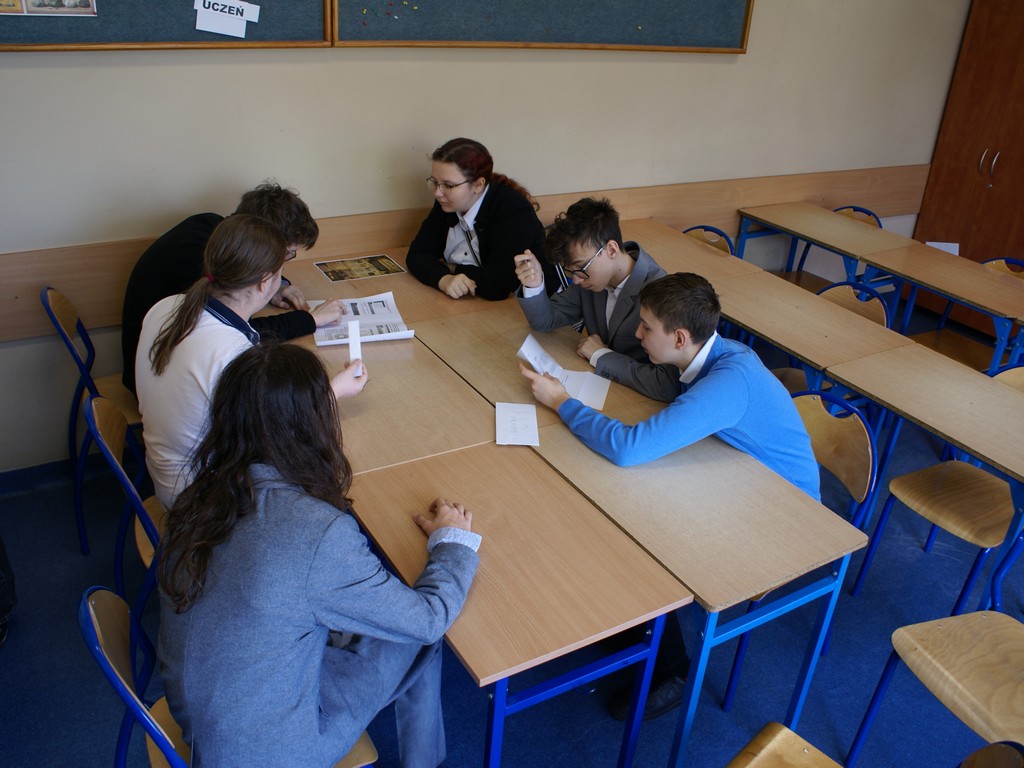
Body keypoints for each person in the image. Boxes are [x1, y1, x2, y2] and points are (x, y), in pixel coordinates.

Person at [158, 343, 480, 768]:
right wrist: (452, 543)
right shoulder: (315, 531)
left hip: (203, 716)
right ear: (315, 422)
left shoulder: (197, 495)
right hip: (267, 751)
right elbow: (427, 619)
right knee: (421, 637)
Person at [520, 271, 820, 720]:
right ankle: (639, 627)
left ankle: (673, 670)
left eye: (646, 327)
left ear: (680, 337)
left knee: (639, 529)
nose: (637, 334)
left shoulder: (729, 380)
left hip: (789, 517)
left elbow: (629, 448)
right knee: (625, 498)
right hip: (741, 476)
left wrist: (562, 402)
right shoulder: (709, 354)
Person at [135, 214, 361, 508]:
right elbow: (277, 437)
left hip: (166, 475)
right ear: (265, 282)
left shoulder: (166, 306)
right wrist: (332, 392)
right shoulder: (233, 355)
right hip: (201, 503)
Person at [121, 181, 322, 394]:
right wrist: (309, 319)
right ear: (262, 243)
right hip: (159, 383)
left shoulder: (213, 231)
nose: (285, 262)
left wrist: (277, 287)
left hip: (164, 377)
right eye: (287, 254)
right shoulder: (197, 259)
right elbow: (241, 334)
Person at [514, 197, 681, 402]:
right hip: (602, 387)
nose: (576, 280)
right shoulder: (590, 280)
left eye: (581, 268)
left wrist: (601, 355)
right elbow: (544, 321)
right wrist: (534, 284)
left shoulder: (659, 293)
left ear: (611, 250)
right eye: (571, 271)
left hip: (640, 401)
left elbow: (667, 384)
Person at [406, 137, 558, 301]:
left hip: (531, 304)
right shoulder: (447, 202)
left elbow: (496, 286)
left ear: (478, 185)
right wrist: (443, 279)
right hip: (474, 302)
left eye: (448, 185)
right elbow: (417, 254)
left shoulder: (513, 210)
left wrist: (452, 268)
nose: (437, 192)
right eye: (435, 182)